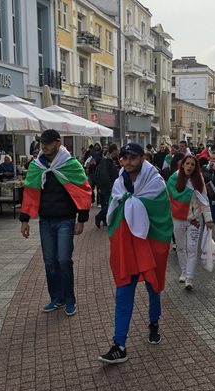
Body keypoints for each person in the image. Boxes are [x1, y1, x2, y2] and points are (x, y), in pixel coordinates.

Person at [98, 143, 173, 363]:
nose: (127, 162)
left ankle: (153, 322)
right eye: (124, 158)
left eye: (132, 158)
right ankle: (119, 345)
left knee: (153, 287)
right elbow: (114, 208)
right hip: (128, 246)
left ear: (142, 158)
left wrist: (134, 204)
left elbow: (162, 213)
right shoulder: (119, 183)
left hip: (150, 243)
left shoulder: (156, 183)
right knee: (123, 293)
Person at [20, 129, 91, 317]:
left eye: (49, 143)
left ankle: (69, 300)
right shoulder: (37, 166)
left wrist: (81, 220)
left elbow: (83, 191)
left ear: (58, 143)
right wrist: (24, 220)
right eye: (42, 143)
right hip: (45, 221)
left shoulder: (71, 165)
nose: (44, 146)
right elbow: (29, 192)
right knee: (50, 262)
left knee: (63, 260)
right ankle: (56, 298)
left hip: (65, 220)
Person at [166, 155, 213, 290]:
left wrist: (208, 219)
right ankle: (184, 271)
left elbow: (203, 199)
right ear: (183, 164)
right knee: (181, 247)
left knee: (192, 248)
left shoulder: (198, 179)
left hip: (194, 219)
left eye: (192, 164)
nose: (190, 166)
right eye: (187, 163)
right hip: (177, 219)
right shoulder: (174, 178)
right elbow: (168, 197)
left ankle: (189, 278)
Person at [94, 143, 119, 228]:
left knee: (106, 204)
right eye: (117, 150)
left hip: (109, 186)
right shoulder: (106, 161)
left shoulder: (112, 160)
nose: (118, 152)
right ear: (114, 151)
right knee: (108, 205)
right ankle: (99, 217)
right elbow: (104, 175)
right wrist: (110, 186)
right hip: (107, 187)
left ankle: (105, 220)